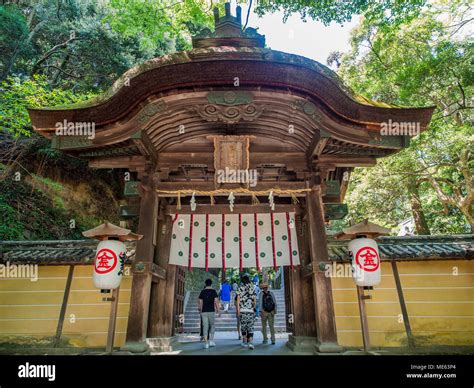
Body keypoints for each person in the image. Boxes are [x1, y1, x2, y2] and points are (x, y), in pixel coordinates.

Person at [236, 273, 257, 349]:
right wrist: (254, 308)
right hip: (250, 311)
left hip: (242, 311)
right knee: (250, 327)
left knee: (243, 327)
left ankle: (244, 342)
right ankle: (250, 343)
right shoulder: (252, 288)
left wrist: (238, 310)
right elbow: (254, 300)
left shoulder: (240, 288)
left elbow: (238, 301)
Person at [198, 279, 220, 349]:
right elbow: (216, 302)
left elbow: (200, 302)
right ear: (211, 284)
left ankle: (206, 343)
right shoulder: (213, 291)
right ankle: (211, 340)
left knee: (205, 327)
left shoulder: (202, 292)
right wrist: (218, 310)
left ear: (205, 284)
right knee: (212, 325)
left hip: (204, 311)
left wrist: (201, 310)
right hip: (211, 311)